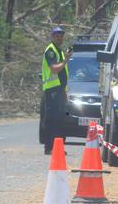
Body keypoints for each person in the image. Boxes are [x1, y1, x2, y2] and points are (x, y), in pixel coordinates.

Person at [41, 26, 72, 155]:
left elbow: (63, 75)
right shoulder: (51, 51)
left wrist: (64, 92)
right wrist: (66, 60)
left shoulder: (59, 51)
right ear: (52, 37)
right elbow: (54, 69)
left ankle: (57, 147)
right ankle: (49, 147)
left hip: (59, 90)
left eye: (61, 36)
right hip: (52, 90)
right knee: (52, 120)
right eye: (57, 36)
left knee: (60, 119)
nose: (59, 38)